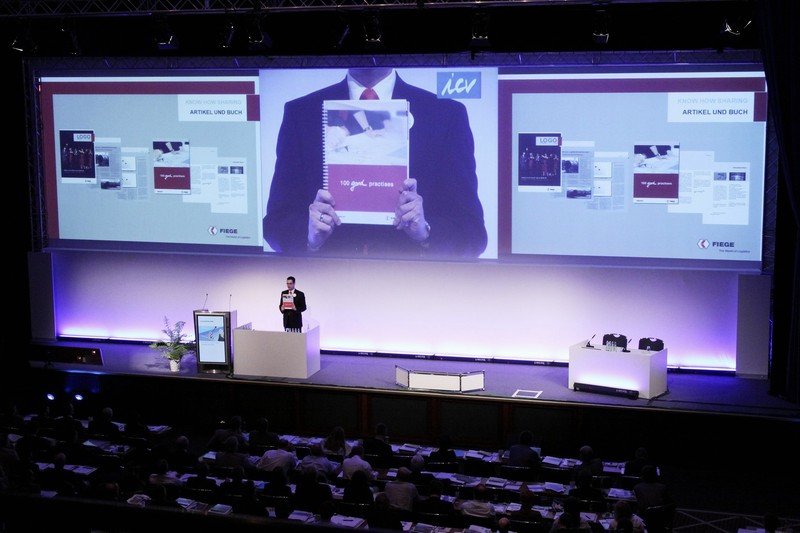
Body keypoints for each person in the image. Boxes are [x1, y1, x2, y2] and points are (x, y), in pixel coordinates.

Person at [263, 67, 487, 259]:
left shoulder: (446, 114)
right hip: (327, 282)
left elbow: (473, 235)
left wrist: (426, 232)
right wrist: (309, 236)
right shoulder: (301, 113)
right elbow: (275, 223)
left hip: (413, 287)